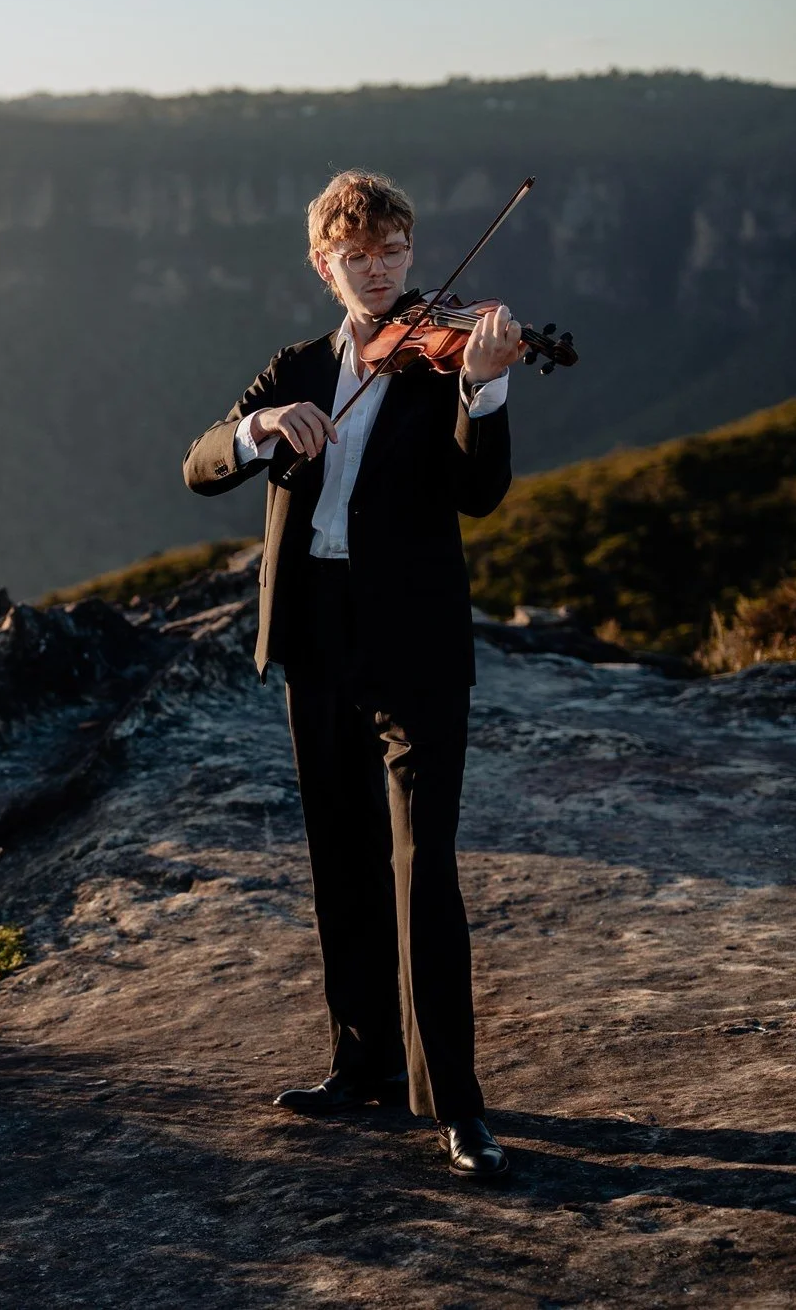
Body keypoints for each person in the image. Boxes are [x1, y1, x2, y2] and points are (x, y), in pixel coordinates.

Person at [180, 169, 521, 1180]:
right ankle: (360, 1065)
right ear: (322, 264)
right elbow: (198, 463)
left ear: (409, 255)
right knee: (340, 858)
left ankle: (454, 1104)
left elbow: (479, 491)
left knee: (423, 869)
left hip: (412, 642)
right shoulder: (295, 365)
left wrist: (485, 382)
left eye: (390, 254)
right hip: (315, 635)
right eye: (353, 256)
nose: (375, 273)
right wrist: (257, 431)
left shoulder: (438, 356)